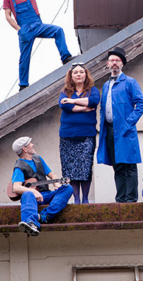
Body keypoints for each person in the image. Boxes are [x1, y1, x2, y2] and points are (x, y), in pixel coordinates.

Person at [3, 0, 76, 92]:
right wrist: (19, 30)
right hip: (24, 29)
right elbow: (8, 16)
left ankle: (65, 57)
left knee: (58, 31)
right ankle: (23, 84)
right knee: (24, 58)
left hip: (37, 24)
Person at [97, 47, 143, 203]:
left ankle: (131, 200)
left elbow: (141, 104)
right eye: (111, 60)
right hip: (109, 130)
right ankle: (120, 200)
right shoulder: (106, 85)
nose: (114, 63)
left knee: (129, 165)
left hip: (125, 130)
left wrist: (128, 123)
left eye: (117, 60)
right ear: (107, 64)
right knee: (117, 165)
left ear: (122, 64)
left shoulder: (130, 82)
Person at [11, 136, 73, 236]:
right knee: (26, 194)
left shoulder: (38, 159)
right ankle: (31, 223)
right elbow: (16, 187)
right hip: (32, 198)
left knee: (67, 188)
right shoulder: (19, 167)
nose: (33, 145)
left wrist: (56, 184)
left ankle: (44, 216)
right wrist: (33, 191)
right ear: (24, 149)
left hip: (46, 195)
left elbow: (52, 175)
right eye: (30, 143)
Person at [58, 63, 100, 204]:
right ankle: (76, 200)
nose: (78, 74)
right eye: (75, 72)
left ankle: (85, 199)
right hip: (67, 135)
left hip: (86, 135)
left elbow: (93, 101)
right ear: (71, 75)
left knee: (85, 168)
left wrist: (73, 101)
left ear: (86, 74)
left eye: (81, 72)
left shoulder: (92, 90)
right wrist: (83, 108)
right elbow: (64, 105)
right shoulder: (65, 91)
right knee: (70, 169)